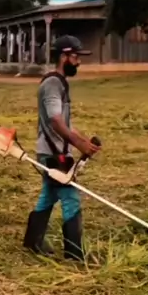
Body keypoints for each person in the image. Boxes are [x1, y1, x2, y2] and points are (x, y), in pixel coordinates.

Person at [23, 35, 101, 261]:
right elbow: (55, 121)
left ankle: (33, 241)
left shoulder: (60, 83)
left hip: (55, 151)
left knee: (49, 195)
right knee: (70, 197)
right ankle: (75, 255)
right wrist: (78, 144)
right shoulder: (52, 84)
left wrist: (84, 142)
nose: (79, 62)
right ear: (64, 56)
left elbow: (65, 123)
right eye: (75, 57)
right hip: (52, 153)